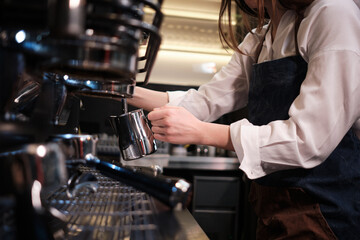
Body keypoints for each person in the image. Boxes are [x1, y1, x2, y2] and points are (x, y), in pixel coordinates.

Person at [127, 0, 360, 238]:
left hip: (326, 213)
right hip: (271, 208)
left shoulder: (332, 12)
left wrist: (204, 132)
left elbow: (308, 140)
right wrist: (119, 89)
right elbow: (204, 101)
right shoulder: (259, 40)